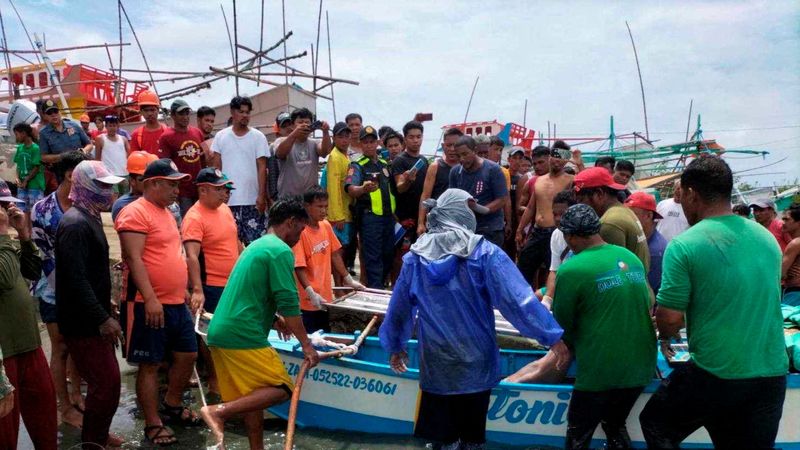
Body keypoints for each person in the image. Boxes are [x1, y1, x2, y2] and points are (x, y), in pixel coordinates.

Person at [379, 189, 563, 450]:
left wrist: (395, 346)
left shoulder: (414, 259)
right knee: (471, 439)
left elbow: (398, 309)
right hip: (477, 361)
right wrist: (552, 336)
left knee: (441, 440)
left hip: (437, 362)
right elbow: (519, 303)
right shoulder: (486, 254)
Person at [640, 156, 789, 448]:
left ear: (692, 194)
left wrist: (662, 332)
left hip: (717, 373)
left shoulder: (685, 244)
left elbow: (670, 320)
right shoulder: (767, 238)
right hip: (771, 374)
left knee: (657, 423)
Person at [201, 198, 320, 450]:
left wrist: (274, 320)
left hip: (221, 332)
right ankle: (218, 412)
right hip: (242, 334)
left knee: (252, 395)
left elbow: (251, 292)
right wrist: (307, 345)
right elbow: (289, 303)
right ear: (290, 222)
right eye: (300, 229)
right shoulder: (279, 250)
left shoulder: (257, 245)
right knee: (282, 388)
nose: (300, 236)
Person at [553, 204, 656, 449]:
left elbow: (562, 325)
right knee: (614, 425)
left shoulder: (571, 269)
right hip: (642, 366)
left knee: (578, 435)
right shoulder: (629, 257)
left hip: (601, 370)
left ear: (572, 236)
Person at [115, 159, 201, 446]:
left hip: (176, 300)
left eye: (178, 184)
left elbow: (172, 252)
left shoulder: (166, 212)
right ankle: (153, 423)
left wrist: (185, 289)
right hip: (146, 302)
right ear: (153, 183)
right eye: (172, 184)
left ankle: (172, 404)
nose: (178, 190)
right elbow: (134, 257)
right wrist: (150, 298)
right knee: (150, 364)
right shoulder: (135, 212)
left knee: (188, 354)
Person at [55, 160, 125, 449]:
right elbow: (75, 279)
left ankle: (99, 434)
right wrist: (102, 318)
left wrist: (104, 300)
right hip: (83, 323)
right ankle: (92, 442)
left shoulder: (90, 217)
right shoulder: (75, 224)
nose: (109, 193)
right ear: (84, 186)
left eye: (110, 186)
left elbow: (88, 271)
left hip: (91, 315)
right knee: (105, 384)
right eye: (103, 186)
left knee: (109, 384)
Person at [31, 150, 90, 429]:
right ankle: (64, 406)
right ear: (70, 175)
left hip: (83, 287)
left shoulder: (86, 206)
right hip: (53, 289)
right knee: (62, 347)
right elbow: (43, 257)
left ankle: (77, 393)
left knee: (80, 344)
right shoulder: (42, 210)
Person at [0, 186, 57, 450]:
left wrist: (23, 234)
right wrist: (3, 234)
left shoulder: (6, 244)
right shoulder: (2, 243)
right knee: (5, 431)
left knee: (44, 418)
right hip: (5, 353)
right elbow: (7, 279)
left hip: (28, 345)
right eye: (3, 207)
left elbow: (32, 272)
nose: (6, 212)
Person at [182, 167, 239, 403]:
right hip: (211, 285)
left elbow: (235, 241)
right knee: (211, 335)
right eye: (218, 189)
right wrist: (197, 290)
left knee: (231, 333)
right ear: (203, 190)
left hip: (232, 283)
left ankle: (230, 378)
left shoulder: (224, 209)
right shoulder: (194, 217)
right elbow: (191, 256)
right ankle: (215, 382)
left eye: (224, 188)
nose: (223, 193)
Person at [293, 186, 364, 333]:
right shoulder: (301, 232)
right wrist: (310, 292)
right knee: (310, 340)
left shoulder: (325, 226)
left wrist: (348, 279)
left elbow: (335, 254)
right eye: (319, 207)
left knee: (325, 336)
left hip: (325, 298)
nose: (324, 211)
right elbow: (299, 266)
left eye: (326, 207)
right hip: (307, 301)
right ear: (307, 206)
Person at [210, 96, 269, 245]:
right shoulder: (221, 137)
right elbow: (217, 169)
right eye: (241, 111)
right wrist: (219, 196)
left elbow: (262, 168)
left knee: (255, 246)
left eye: (247, 112)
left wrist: (261, 196)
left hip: (253, 202)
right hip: (227, 202)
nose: (245, 115)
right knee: (230, 245)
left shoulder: (258, 137)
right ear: (232, 112)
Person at [345, 125, 396, 289]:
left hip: (389, 219)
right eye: (365, 142)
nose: (369, 145)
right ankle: (377, 298)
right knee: (373, 260)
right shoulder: (357, 165)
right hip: (370, 219)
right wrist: (363, 189)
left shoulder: (384, 164)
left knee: (388, 255)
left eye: (372, 141)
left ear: (377, 143)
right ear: (360, 144)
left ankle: (378, 288)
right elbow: (351, 189)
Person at [516, 146, 574, 286]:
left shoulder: (570, 180)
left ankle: (551, 303)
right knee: (523, 269)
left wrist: (579, 163)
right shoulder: (539, 180)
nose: (556, 161)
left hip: (556, 232)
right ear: (550, 157)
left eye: (561, 158)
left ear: (566, 160)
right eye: (554, 157)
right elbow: (530, 207)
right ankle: (525, 303)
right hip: (537, 232)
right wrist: (520, 229)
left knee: (555, 272)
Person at [574, 167, 650, 271]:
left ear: (599, 194)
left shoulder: (609, 223)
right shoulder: (622, 211)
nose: (580, 206)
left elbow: (612, 272)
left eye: (581, 200)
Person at [448, 135, 508, 247]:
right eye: (458, 156)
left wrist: (479, 208)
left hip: (490, 229)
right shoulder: (455, 172)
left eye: (465, 154)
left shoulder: (493, 169)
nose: (461, 159)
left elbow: (502, 199)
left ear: (475, 151)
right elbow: (452, 198)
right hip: (465, 230)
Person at [159, 99, 206, 215]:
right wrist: (171, 192)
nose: (185, 117)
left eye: (187, 113)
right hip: (181, 191)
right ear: (173, 115)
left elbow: (204, 158)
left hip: (200, 188)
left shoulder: (198, 133)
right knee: (187, 221)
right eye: (181, 113)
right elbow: (165, 167)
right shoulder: (166, 137)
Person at [38, 100, 92, 194]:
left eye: (55, 111)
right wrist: (63, 156)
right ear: (45, 116)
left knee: (86, 194)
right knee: (68, 197)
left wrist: (83, 151)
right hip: (62, 173)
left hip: (81, 168)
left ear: (59, 112)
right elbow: (43, 157)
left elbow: (89, 144)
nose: (53, 115)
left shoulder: (74, 126)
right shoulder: (44, 133)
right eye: (49, 113)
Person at [275, 107, 331, 197]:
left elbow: (325, 152)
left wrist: (325, 132)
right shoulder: (281, 141)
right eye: (300, 122)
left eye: (307, 122)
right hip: (288, 199)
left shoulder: (315, 142)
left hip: (310, 199)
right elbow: (280, 153)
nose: (304, 125)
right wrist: (295, 133)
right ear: (293, 126)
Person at [417, 127, 462, 236]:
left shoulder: (466, 167)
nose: (452, 149)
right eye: (448, 145)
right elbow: (425, 196)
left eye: (455, 145)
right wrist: (420, 223)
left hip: (460, 222)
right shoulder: (435, 166)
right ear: (443, 146)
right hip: (437, 223)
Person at [391, 121, 428, 252]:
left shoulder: (424, 161)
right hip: (403, 218)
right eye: (411, 137)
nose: (415, 140)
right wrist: (408, 180)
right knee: (400, 256)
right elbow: (400, 187)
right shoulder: (399, 160)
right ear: (405, 139)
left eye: (419, 137)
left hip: (421, 217)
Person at [326, 122, 356, 279]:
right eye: (340, 137)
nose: (344, 140)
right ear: (334, 138)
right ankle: (338, 287)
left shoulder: (346, 156)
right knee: (338, 251)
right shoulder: (334, 157)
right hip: (340, 216)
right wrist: (337, 215)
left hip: (347, 212)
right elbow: (333, 187)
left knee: (344, 250)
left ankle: (342, 285)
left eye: (347, 136)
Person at [625, 192, 667, 296]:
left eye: (633, 215)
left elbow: (640, 289)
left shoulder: (655, 251)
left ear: (648, 216)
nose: (627, 219)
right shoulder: (642, 239)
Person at [541, 189, 577, 309]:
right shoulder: (556, 234)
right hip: (563, 284)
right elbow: (554, 270)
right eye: (555, 214)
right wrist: (547, 299)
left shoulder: (585, 235)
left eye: (562, 214)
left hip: (580, 284)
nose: (557, 219)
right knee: (535, 297)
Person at [12, 122, 45, 219]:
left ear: (24, 133)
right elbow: (18, 165)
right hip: (22, 185)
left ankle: (32, 233)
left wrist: (26, 180)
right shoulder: (20, 148)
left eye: (17, 134)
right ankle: (25, 233)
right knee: (21, 211)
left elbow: (36, 167)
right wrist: (17, 178)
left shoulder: (35, 148)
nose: (16, 138)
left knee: (34, 211)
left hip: (34, 185)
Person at [94, 115, 130, 200]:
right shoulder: (100, 139)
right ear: (106, 126)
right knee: (113, 198)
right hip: (109, 175)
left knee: (125, 198)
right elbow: (97, 159)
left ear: (117, 126)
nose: (112, 128)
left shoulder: (124, 139)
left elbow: (129, 154)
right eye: (110, 125)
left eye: (114, 125)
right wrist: (99, 174)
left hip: (124, 174)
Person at [516, 145, 551, 220]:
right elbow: (519, 208)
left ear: (550, 160)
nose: (537, 166)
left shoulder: (560, 178)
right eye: (534, 164)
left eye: (541, 162)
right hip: (532, 226)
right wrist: (532, 211)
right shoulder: (527, 178)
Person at [129, 90, 167, 158]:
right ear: (141, 112)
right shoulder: (136, 135)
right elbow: (134, 159)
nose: (149, 113)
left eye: (152, 110)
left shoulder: (167, 132)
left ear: (158, 110)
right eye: (146, 110)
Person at [268, 112, 293, 201]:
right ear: (279, 130)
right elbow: (273, 175)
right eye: (284, 126)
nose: (288, 128)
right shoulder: (273, 147)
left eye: (290, 124)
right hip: (284, 198)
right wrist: (275, 198)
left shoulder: (303, 143)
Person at [781, 205, 800, 306]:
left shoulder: (795, 243)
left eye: (786, 219)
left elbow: (780, 273)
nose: (783, 223)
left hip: (795, 294)